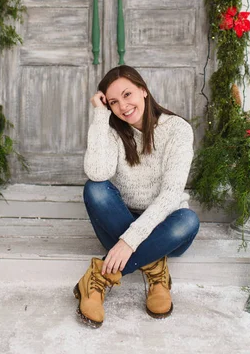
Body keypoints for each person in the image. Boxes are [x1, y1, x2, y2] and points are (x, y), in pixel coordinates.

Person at [73, 65, 200, 328]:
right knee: (94, 189)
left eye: (128, 94)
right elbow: (97, 173)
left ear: (143, 90)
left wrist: (130, 241)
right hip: (119, 221)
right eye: (114, 102)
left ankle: (100, 277)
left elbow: (171, 193)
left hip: (164, 224)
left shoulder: (177, 129)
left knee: (188, 220)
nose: (123, 106)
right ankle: (155, 267)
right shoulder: (111, 128)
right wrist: (99, 115)